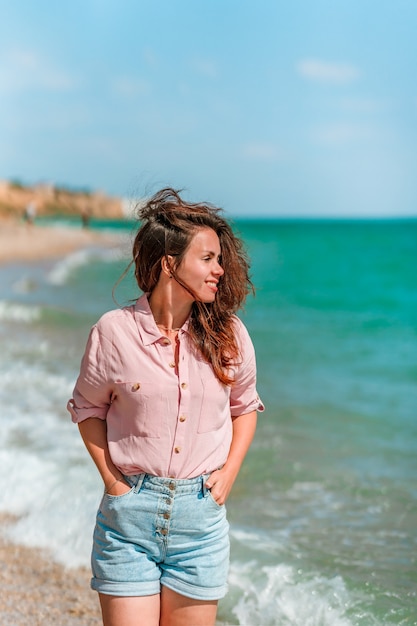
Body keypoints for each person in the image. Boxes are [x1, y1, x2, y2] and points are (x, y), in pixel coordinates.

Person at [67, 187, 264, 626]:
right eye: (208, 258)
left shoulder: (230, 336)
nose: (220, 269)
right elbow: (86, 409)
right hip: (128, 523)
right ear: (170, 264)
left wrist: (228, 474)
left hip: (201, 524)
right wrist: (113, 481)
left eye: (220, 258)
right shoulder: (113, 333)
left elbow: (245, 406)